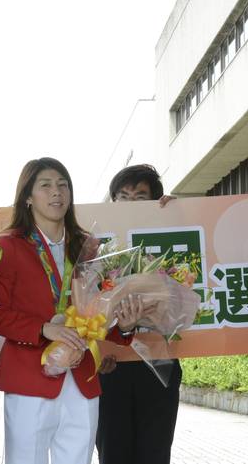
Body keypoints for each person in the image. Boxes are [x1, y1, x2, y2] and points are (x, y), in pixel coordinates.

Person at [0, 157, 141, 464]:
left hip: (81, 376)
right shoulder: (7, 246)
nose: (57, 192)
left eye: (63, 185)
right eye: (46, 185)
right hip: (29, 375)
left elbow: (100, 310)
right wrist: (44, 328)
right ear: (27, 196)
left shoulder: (88, 247)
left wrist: (125, 327)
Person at [96, 164, 180, 464]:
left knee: (155, 453)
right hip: (110, 366)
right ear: (113, 201)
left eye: (140, 197)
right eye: (124, 196)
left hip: (159, 363)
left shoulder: (167, 234)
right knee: (113, 452)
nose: (131, 205)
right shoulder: (95, 245)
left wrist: (177, 213)